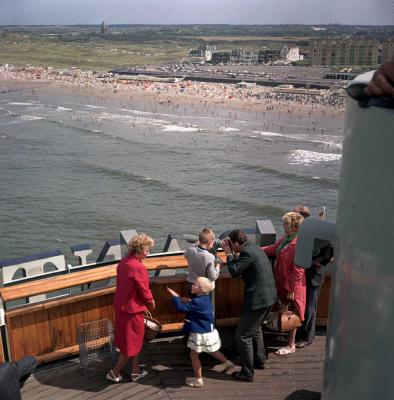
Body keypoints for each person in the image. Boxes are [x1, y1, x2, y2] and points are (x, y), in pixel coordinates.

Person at [221, 229, 276, 382]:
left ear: (237, 243)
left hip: (258, 300)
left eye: (232, 244)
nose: (231, 246)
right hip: (270, 297)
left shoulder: (246, 253)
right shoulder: (254, 248)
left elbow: (234, 271)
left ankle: (247, 373)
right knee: (256, 329)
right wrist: (234, 254)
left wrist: (229, 255)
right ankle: (260, 360)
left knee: (243, 335)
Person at [166, 277, 234, 388]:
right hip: (208, 331)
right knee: (212, 350)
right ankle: (227, 363)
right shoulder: (206, 298)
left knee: (193, 355)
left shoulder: (197, 301)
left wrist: (176, 297)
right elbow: (196, 303)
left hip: (200, 333)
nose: (192, 285)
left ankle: (199, 380)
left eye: (195, 285)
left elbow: (181, 308)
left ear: (201, 289)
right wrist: (188, 300)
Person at [106, 233, 156, 383]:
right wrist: (151, 301)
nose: (148, 253)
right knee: (130, 344)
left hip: (123, 309)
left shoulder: (124, 263)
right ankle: (114, 373)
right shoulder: (137, 267)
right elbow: (144, 289)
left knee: (134, 340)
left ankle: (135, 371)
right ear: (139, 250)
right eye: (147, 250)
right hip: (132, 311)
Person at [262, 212, 305, 356]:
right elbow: (272, 249)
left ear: (293, 226)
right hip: (282, 283)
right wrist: (254, 250)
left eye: (286, 223)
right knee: (285, 311)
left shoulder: (299, 244)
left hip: (293, 287)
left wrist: (292, 290)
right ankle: (286, 338)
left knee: (292, 314)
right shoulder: (286, 239)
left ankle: (291, 345)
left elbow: (298, 270)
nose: (284, 226)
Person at [293, 206, 334, 349]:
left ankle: (308, 336)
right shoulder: (305, 231)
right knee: (302, 306)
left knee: (310, 308)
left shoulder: (317, 233)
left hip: (313, 276)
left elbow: (329, 248)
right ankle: (299, 332)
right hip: (303, 275)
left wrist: (318, 261)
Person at [184, 228, 221, 294]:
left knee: (192, 303)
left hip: (191, 284)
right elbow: (212, 276)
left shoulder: (190, 250)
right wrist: (218, 267)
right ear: (210, 242)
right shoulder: (209, 257)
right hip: (203, 287)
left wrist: (195, 244)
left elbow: (185, 255)